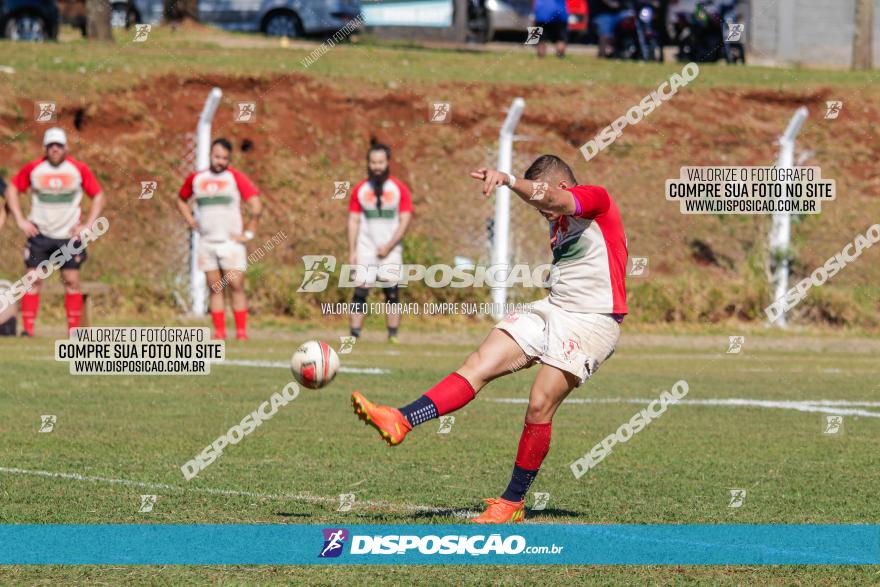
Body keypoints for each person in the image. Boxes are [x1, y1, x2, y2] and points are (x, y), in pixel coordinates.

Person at [351, 154, 628, 523]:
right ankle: (401, 419)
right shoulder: (558, 223)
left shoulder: (594, 198)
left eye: (540, 200)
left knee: (539, 403)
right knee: (478, 363)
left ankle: (512, 502)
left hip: (593, 321)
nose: (540, 211)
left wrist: (509, 179)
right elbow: (552, 211)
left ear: (561, 185)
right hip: (554, 308)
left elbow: (555, 200)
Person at [6, 128, 106, 337]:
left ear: (65, 147)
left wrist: (88, 225)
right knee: (33, 279)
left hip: (69, 237)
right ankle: (28, 331)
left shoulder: (78, 169)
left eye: (58, 145)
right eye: (51, 145)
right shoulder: (34, 169)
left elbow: (98, 195)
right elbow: (12, 189)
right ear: (45, 148)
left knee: (71, 280)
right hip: (40, 235)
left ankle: (73, 332)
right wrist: (20, 220)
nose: (55, 149)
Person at [177, 138, 263, 340]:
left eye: (225, 158)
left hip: (230, 243)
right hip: (207, 242)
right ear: (210, 155)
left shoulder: (235, 178)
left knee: (236, 285)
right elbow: (181, 199)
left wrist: (249, 233)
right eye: (217, 156)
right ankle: (219, 332)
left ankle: (241, 332)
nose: (220, 161)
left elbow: (256, 206)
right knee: (215, 287)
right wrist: (190, 220)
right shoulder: (197, 178)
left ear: (229, 159)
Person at [347, 142, 413, 344]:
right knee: (360, 291)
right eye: (373, 162)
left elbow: (405, 219)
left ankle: (392, 335)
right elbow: (354, 220)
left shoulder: (398, 188)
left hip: (391, 249)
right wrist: (352, 251)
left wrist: (390, 245)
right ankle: (354, 335)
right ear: (368, 163)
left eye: (380, 162)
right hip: (365, 248)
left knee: (391, 292)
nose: (377, 166)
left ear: (387, 163)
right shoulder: (360, 189)